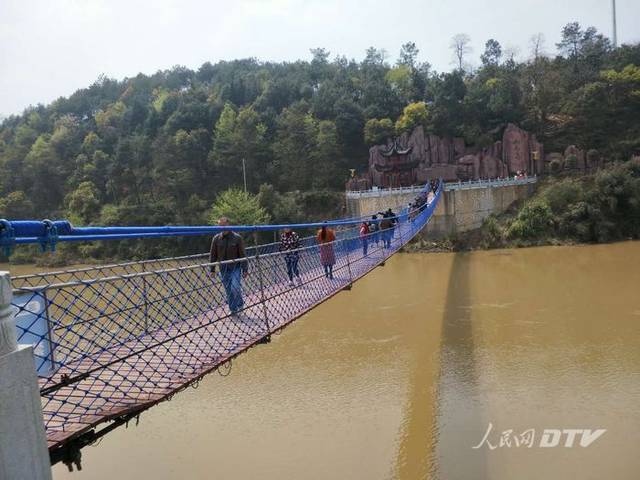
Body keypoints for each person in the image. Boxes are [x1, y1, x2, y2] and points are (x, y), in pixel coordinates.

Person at [209, 217, 248, 316]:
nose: (222, 227)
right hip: (223, 268)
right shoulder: (216, 238)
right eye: (220, 225)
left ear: (228, 224)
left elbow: (243, 254)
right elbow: (213, 255)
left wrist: (245, 269)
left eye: (224, 225)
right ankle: (233, 309)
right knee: (228, 289)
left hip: (236, 267)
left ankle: (240, 304)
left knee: (235, 287)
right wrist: (212, 269)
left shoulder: (237, 237)